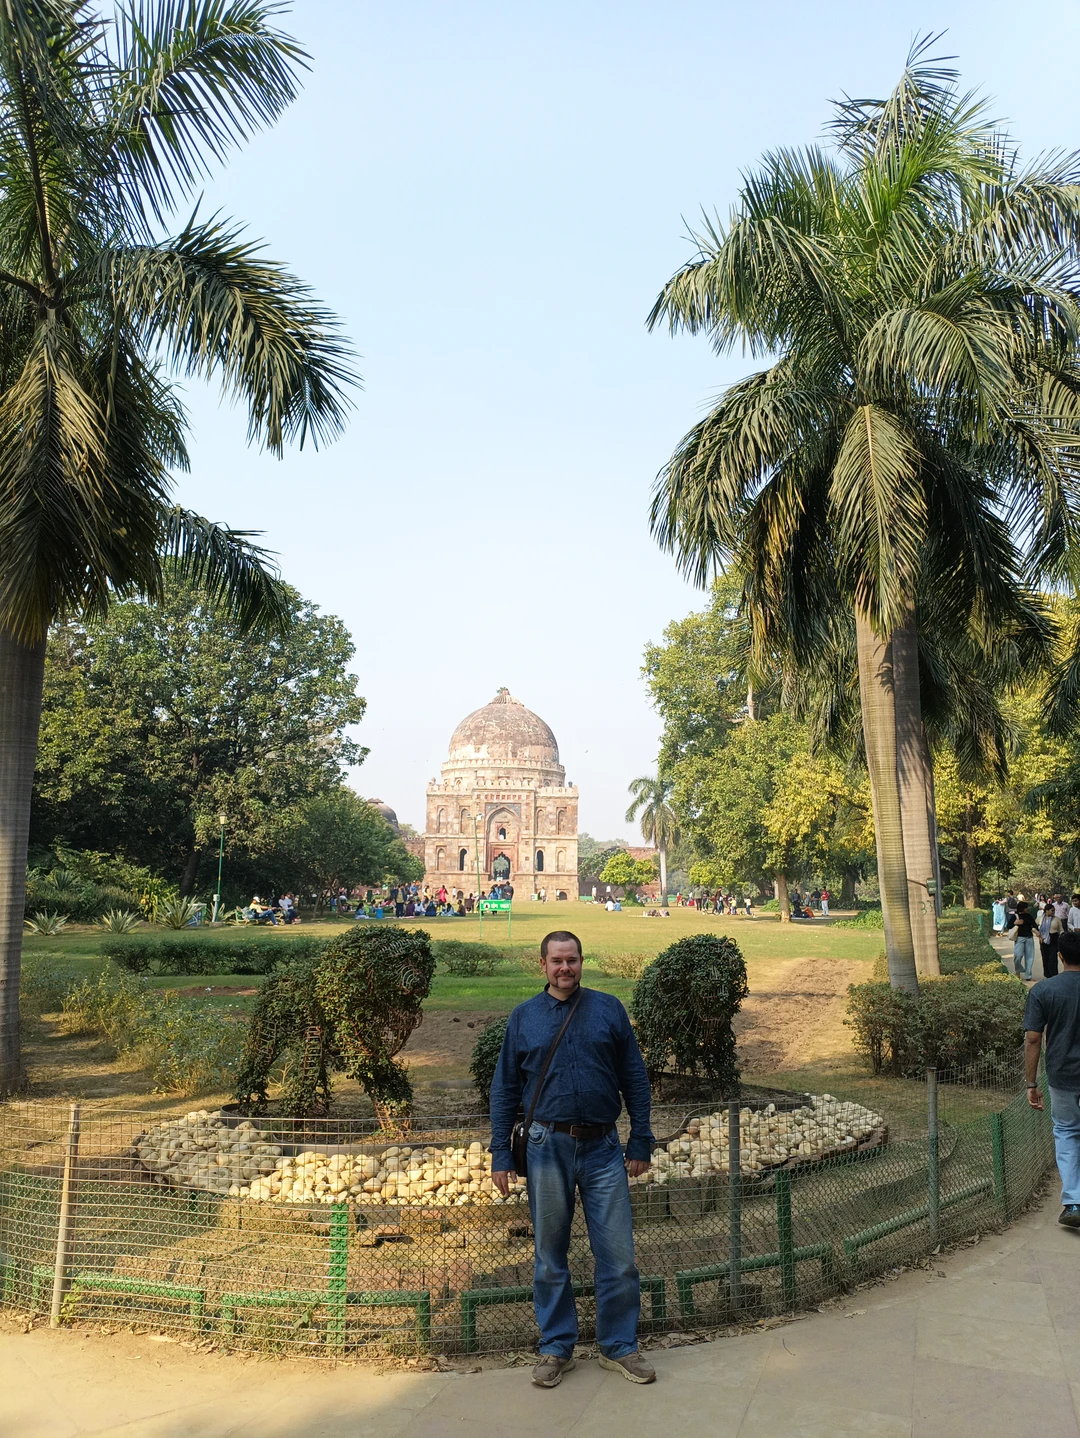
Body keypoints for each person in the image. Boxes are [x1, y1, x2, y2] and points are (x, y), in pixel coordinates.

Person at [489, 931, 656, 1387]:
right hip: (547, 1146)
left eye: (573, 960)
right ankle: (556, 1346)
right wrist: (500, 1154)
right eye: (557, 961)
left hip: (603, 1147)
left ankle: (619, 1346)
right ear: (541, 964)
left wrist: (640, 1139)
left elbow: (635, 1079)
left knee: (618, 1254)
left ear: (583, 962)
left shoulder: (608, 1009)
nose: (566, 969)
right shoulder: (525, 1018)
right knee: (549, 1256)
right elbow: (504, 1090)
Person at [1024, 932, 1080, 1227]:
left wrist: (1031, 1084)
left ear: (1060, 957)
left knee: (1068, 1132)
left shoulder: (1044, 991)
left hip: (1062, 1076)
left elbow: (1033, 1040)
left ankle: (1073, 1203)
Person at [1012, 901, 1037, 980]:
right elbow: (1008, 925)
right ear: (1023, 908)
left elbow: (1035, 925)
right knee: (1017, 956)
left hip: (1029, 938)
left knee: (1030, 957)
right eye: (1026, 907)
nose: (1028, 908)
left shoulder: (1029, 916)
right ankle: (1018, 970)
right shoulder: (1015, 916)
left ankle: (1028, 975)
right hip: (1019, 938)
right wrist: (1015, 923)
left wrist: (1034, 929)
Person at [1041, 901, 1063, 979]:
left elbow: (1061, 930)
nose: (1054, 912)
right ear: (1047, 911)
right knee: (1045, 957)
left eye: (1054, 910)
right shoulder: (1041, 918)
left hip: (1054, 939)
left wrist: (1062, 938)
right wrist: (1037, 934)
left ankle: (1054, 975)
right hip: (1044, 940)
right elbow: (1033, 926)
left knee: (1053, 958)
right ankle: (1047, 975)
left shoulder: (1057, 919)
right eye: (1052, 910)